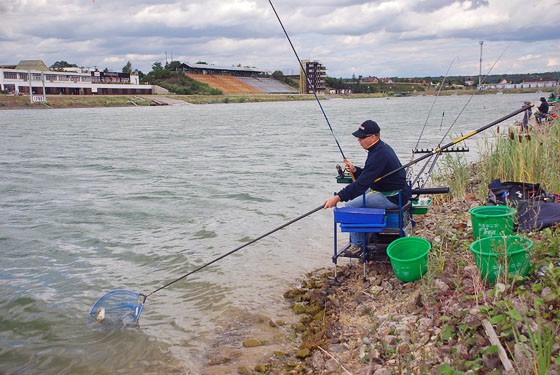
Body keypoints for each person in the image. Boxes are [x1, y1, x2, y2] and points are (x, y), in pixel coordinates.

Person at [323, 120, 410, 253]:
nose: (359, 140)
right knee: (356, 198)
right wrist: (355, 170)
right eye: (358, 137)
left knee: (351, 206)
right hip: (387, 190)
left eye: (362, 137)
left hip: (393, 197)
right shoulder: (378, 149)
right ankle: (365, 235)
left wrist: (337, 198)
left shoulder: (379, 154)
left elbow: (361, 185)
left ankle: (357, 245)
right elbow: (370, 175)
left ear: (373, 137)